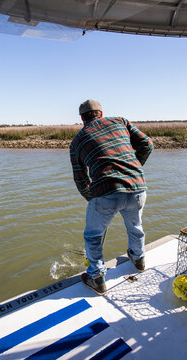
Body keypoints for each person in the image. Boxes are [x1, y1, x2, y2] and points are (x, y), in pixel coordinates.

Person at [70, 99, 153, 295]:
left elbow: (80, 178)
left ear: (82, 118)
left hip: (105, 192)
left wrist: (91, 197)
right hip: (137, 188)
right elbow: (147, 145)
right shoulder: (120, 121)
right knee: (136, 226)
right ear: (100, 113)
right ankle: (138, 259)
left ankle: (96, 277)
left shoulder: (77, 141)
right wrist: (134, 169)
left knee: (93, 236)